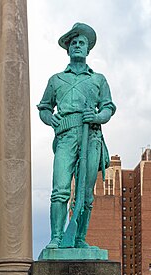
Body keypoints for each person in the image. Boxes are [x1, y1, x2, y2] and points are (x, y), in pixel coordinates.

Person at [38, 23, 116, 249]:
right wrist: (49, 118)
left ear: (88, 49)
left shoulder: (98, 79)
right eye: (74, 43)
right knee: (60, 190)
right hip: (66, 136)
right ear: (68, 49)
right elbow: (44, 107)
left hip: (91, 136)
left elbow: (108, 107)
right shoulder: (56, 80)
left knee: (86, 195)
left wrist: (98, 116)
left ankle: (79, 238)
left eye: (82, 43)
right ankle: (57, 237)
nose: (78, 47)